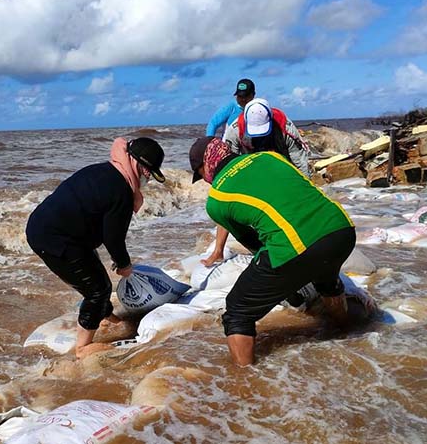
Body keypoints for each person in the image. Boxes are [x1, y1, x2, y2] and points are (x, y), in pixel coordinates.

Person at [189, 137, 356, 366]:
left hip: (297, 246)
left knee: (238, 310)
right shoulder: (269, 156)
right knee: (326, 280)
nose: (206, 181)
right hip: (341, 231)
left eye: (201, 175)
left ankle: (245, 381)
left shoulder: (216, 200)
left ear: (206, 165)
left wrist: (283, 281)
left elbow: (254, 243)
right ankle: (351, 336)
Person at [26, 137, 165, 359]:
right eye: (148, 173)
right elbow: (113, 238)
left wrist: (118, 260)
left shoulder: (104, 171)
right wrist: (124, 265)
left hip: (48, 228)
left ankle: (106, 317)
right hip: (55, 237)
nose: (147, 179)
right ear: (138, 165)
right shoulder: (121, 189)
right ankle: (83, 347)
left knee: (96, 278)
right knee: (97, 289)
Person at [203, 98, 311, 267]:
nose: (258, 138)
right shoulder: (235, 131)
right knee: (227, 203)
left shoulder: (286, 128)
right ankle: (222, 252)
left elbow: (301, 170)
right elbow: (225, 177)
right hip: (248, 164)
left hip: (280, 166)